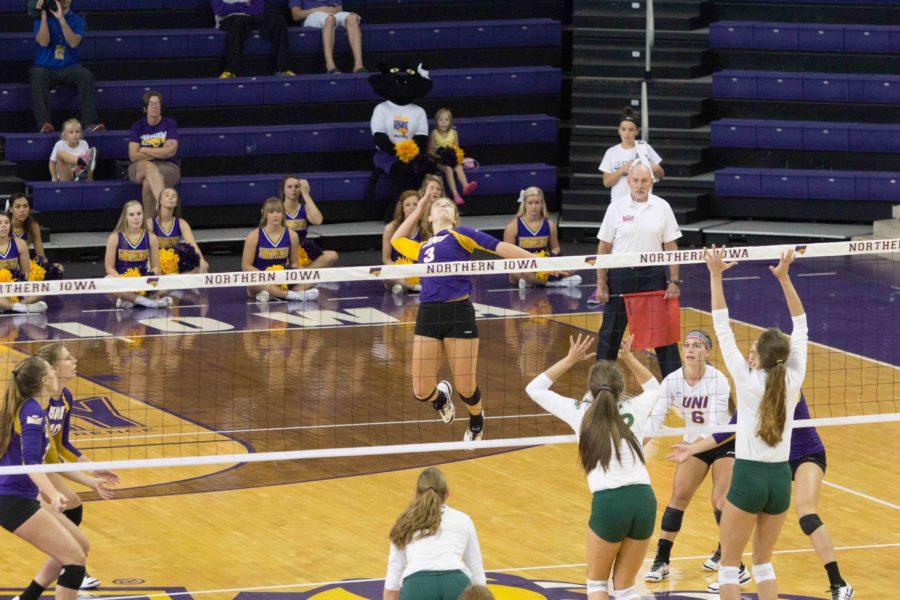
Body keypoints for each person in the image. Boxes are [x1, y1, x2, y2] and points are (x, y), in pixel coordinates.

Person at [669, 396, 854, 598]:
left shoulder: (789, 384)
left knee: (806, 514)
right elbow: (730, 428)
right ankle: (737, 569)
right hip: (774, 462)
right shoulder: (752, 390)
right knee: (723, 503)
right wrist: (692, 449)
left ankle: (838, 582)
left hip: (806, 455)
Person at [703, 246, 807, 600]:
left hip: (748, 475)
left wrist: (716, 275)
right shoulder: (793, 378)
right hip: (780, 478)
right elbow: (802, 323)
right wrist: (785, 278)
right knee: (764, 565)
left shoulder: (746, 381)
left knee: (729, 566)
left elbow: (721, 326)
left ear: (759, 356)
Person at [525, 333, 659, 600]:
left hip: (610, 502)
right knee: (626, 588)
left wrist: (569, 359)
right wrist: (629, 357)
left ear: (591, 387)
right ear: (620, 388)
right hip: (644, 499)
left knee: (597, 586)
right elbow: (655, 387)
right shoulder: (636, 405)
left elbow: (534, 389)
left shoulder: (579, 411)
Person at [391, 196, 534, 442]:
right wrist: (424, 202)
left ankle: (477, 418)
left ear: (455, 216)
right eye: (439, 205)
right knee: (421, 390)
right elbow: (396, 240)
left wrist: (539, 261)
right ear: (430, 217)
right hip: (429, 314)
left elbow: (500, 248)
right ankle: (440, 398)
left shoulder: (462, 234)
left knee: (466, 388)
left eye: (449, 205)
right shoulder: (422, 247)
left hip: (459, 313)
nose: (443, 205)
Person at [13, 343, 118, 597]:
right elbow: (36, 460)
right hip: (27, 480)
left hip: (41, 469)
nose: (74, 361)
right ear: (51, 370)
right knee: (72, 513)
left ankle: (67, 567)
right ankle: (69, 567)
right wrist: (47, 490)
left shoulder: (62, 399)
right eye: (67, 358)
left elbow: (61, 447)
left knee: (75, 519)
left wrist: (92, 472)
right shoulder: (36, 409)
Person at [643, 330, 739, 584]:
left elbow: (718, 425)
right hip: (692, 445)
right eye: (687, 345)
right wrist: (637, 445)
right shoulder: (672, 381)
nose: (690, 349)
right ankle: (661, 561)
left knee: (720, 500)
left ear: (707, 352)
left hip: (723, 441)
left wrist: (693, 447)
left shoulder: (717, 379)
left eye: (697, 346)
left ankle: (726, 555)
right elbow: (655, 418)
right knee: (678, 496)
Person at [0, 356, 88, 600]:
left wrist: (92, 480)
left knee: (80, 546)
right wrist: (54, 493)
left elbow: (51, 461)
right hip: (12, 500)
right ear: (44, 380)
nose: (56, 371)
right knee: (74, 560)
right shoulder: (32, 414)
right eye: (52, 369)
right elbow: (31, 463)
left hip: (19, 496)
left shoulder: (36, 410)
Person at [590, 163, 682, 378]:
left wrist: (674, 280)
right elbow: (603, 247)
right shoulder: (616, 208)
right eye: (636, 180)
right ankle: (601, 383)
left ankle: (676, 384)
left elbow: (671, 247)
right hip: (621, 276)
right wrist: (601, 282)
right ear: (628, 181)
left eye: (644, 181)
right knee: (610, 333)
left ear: (651, 182)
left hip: (652, 276)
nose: (640, 185)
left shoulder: (662, 207)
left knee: (663, 332)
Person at [383, 467, 486, 600]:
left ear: (416, 494)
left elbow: (393, 575)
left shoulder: (404, 521)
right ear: (447, 494)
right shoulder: (463, 519)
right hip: (457, 585)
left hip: (417, 587)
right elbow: (476, 568)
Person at [30, 0, 103, 134]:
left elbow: (74, 43)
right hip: (45, 67)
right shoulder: (40, 19)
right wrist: (44, 17)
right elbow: (43, 42)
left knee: (85, 75)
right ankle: (44, 124)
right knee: (37, 74)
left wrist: (62, 20)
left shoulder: (77, 19)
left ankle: (89, 123)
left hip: (69, 67)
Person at [241, 197, 320, 303]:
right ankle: (291, 295)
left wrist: (307, 274)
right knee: (255, 283)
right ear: (264, 213)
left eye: (279, 211)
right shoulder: (253, 236)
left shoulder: (292, 235)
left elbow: (294, 264)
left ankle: (277, 295)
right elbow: (246, 266)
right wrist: (265, 276)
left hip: (283, 279)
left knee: (313, 278)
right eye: (271, 212)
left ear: (283, 213)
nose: (275, 215)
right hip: (260, 280)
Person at [503, 186, 580, 289]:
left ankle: (533, 282)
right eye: (530, 203)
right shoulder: (513, 226)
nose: (534, 206)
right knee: (519, 272)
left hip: (543, 264)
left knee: (573, 266)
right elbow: (506, 253)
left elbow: (555, 247)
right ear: (524, 204)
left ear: (542, 204)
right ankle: (554, 283)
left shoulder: (549, 225)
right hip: (522, 265)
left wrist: (551, 257)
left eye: (537, 203)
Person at [103, 200, 173, 309]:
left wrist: (149, 278)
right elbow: (109, 268)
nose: (136, 217)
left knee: (172, 278)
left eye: (139, 214)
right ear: (125, 217)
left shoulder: (151, 237)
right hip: (123, 285)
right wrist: (124, 282)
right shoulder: (114, 237)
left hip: (143, 283)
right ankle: (148, 302)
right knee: (107, 280)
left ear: (143, 215)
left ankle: (133, 302)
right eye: (131, 214)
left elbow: (156, 267)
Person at [127, 91, 180, 219]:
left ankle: (149, 225)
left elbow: (170, 152)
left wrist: (144, 149)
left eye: (157, 103)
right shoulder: (138, 126)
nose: (155, 106)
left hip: (168, 166)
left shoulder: (169, 124)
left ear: (161, 107)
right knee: (148, 167)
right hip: (140, 166)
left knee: (147, 183)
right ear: (145, 108)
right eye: (151, 104)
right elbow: (133, 155)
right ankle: (166, 214)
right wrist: (159, 151)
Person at [212, 0, 295, 78]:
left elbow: (258, 9)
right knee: (239, 21)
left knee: (279, 20)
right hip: (229, 19)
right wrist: (243, 5)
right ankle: (231, 70)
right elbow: (219, 9)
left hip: (251, 18)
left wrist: (232, 7)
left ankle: (282, 69)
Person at [599, 107, 663, 202]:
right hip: (619, 203)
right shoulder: (611, 152)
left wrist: (654, 168)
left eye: (631, 130)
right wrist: (622, 170)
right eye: (623, 129)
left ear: (637, 131)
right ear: (619, 130)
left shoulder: (645, 147)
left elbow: (660, 175)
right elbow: (607, 183)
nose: (627, 133)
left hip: (643, 202)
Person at [289, 1, 364, 74]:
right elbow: (295, 15)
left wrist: (334, 9)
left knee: (353, 18)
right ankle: (331, 67)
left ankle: (359, 66)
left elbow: (340, 8)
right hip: (312, 15)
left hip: (332, 13)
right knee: (329, 19)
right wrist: (318, 9)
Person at [280, 175, 339, 269]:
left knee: (332, 255)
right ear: (283, 190)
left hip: (303, 250)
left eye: (297, 186)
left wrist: (306, 194)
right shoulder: (276, 209)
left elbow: (318, 221)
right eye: (289, 187)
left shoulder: (305, 208)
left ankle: (305, 274)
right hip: (283, 251)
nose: (293, 190)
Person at [148, 187, 210, 274]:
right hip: (156, 263)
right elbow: (146, 249)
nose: (170, 197)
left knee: (200, 266)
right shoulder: (150, 223)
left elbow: (193, 245)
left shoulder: (181, 223)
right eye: (166, 195)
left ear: (176, 203)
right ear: (160, 201)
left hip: (174, 262)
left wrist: (202, 261)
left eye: (173, 196)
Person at [0, 212, 47, 314]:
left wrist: (19, 288)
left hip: (13, 286)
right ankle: (22, 307)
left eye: (6, 222)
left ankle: (12, 306)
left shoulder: (20, 244)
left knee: (40, 289)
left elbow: (25, 274)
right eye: (0, 223)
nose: (3, 225)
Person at [428, 108, 476, 206]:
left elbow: (457, 149)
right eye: (440, 120)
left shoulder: (454, 133)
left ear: (450, 121)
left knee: (458, 167)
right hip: (440, 160)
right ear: (436, 121)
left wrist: (455, 156)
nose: (443, 123)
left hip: (451, 158)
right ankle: (456, 195)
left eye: (446, 120)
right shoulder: (434, 133)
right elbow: (430, 151)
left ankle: (465, 185)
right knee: (449, 169)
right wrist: (440, 156)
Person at [382, 190, 423, 295]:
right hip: (397, 270)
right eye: (408, 204)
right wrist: (400, 270)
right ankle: (411, 287)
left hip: (418, 271)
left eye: (415, 204)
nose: (412, 207)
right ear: (402, 208)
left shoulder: (425, 228)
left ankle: (400, 286)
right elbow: (386, 259)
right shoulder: (390, 228)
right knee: (380, 272)